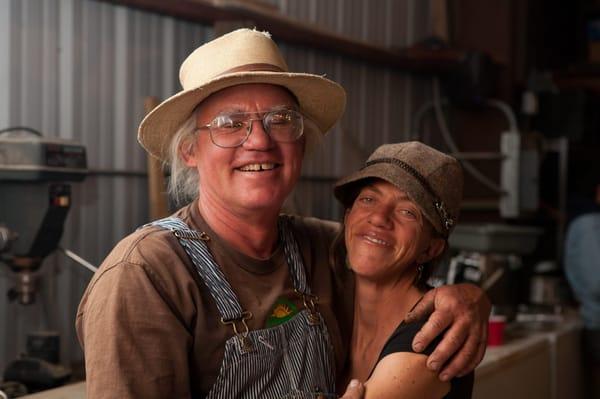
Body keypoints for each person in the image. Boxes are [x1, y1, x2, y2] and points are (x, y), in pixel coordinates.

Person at [76, 29, 489, 399]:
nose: (259, 141)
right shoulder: (146, 276)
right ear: (189, 152)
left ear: (301, 144)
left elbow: (398, 264)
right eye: (229, 123)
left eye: (281, 120)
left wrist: (470, 298)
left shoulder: (325, 247)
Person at [333, 142, 473, 398]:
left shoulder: (428, 341)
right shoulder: (326, 311)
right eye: (368, 199)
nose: (378, 218)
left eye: (408, 212)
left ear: (430, 249)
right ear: (348, 216)